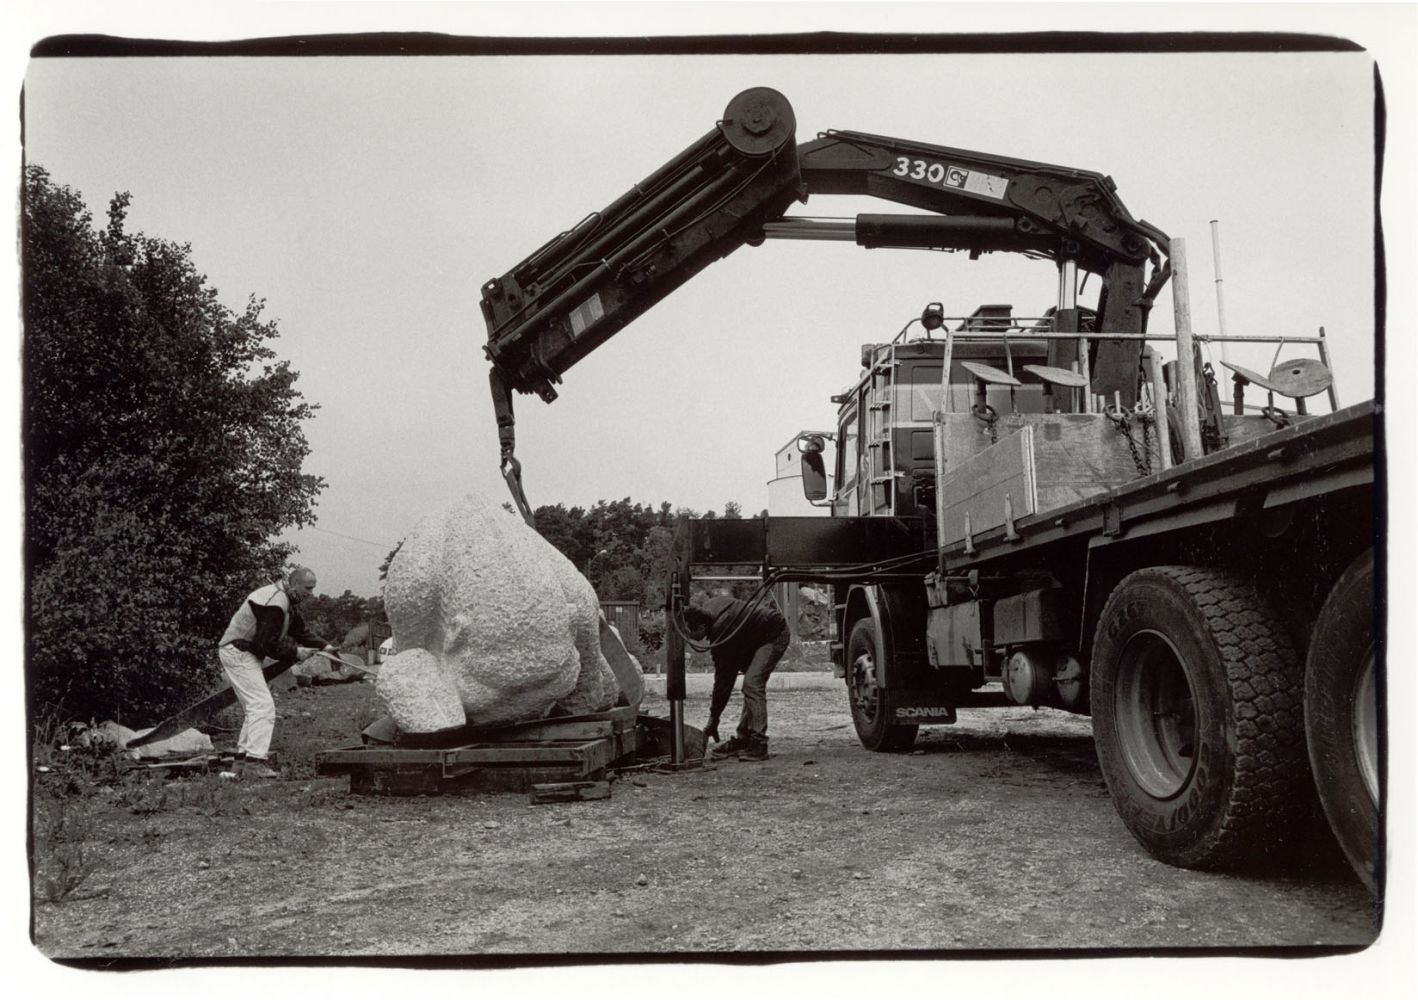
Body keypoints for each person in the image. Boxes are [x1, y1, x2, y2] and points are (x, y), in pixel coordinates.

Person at [216, 566, 335, 778]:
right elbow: (265, 645)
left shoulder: (286, 601)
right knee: (262, 706)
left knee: (254, 708)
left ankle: (241, 765)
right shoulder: (275, 604)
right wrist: (296, 652)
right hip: (238, 652)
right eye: (308, 588)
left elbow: (300, 631)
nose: (311, 593)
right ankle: (254, 764)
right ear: (295, 584)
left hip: (242, 652)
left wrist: (326, 647)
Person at [682, 594, 791, 762]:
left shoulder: (723, 631)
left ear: (702, 627)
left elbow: (724, 681)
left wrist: (714, 719)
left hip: (774, 633)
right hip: (754, 637)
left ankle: (759, 744)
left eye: (689, 633)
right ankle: (744, 739)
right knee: (750, 685)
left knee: (752, 684)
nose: (688, 638)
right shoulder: (710, 607)